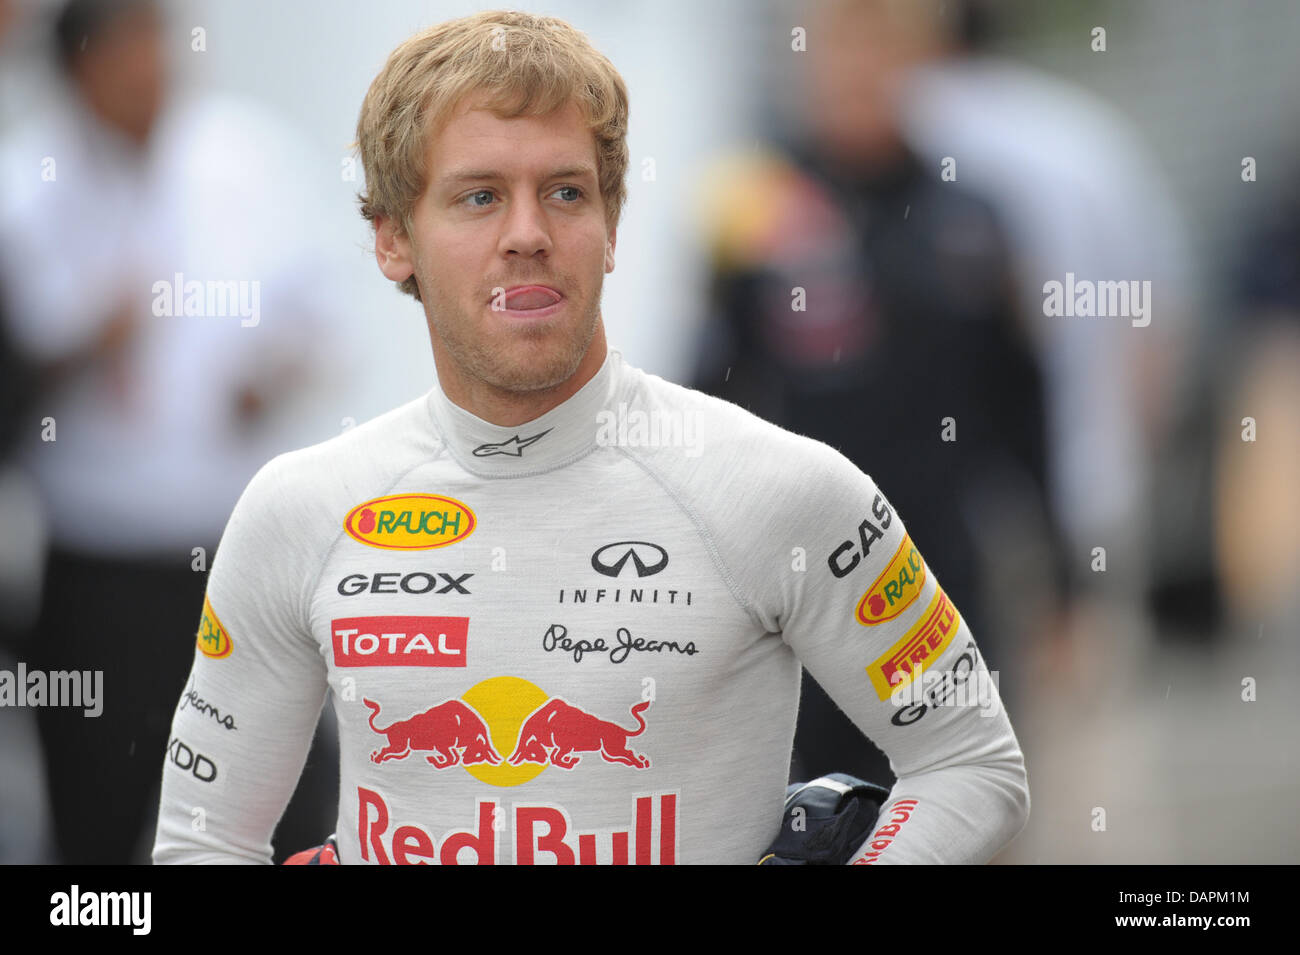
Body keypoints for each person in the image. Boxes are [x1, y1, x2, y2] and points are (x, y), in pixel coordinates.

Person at [153, 9, 1029, 865]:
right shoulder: (297, 510)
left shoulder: (782, 488)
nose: (528, 235)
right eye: (479, 197)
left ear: (611, 225)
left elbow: (972, 762)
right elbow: (203, 838)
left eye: (566, 192)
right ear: (392, 239)